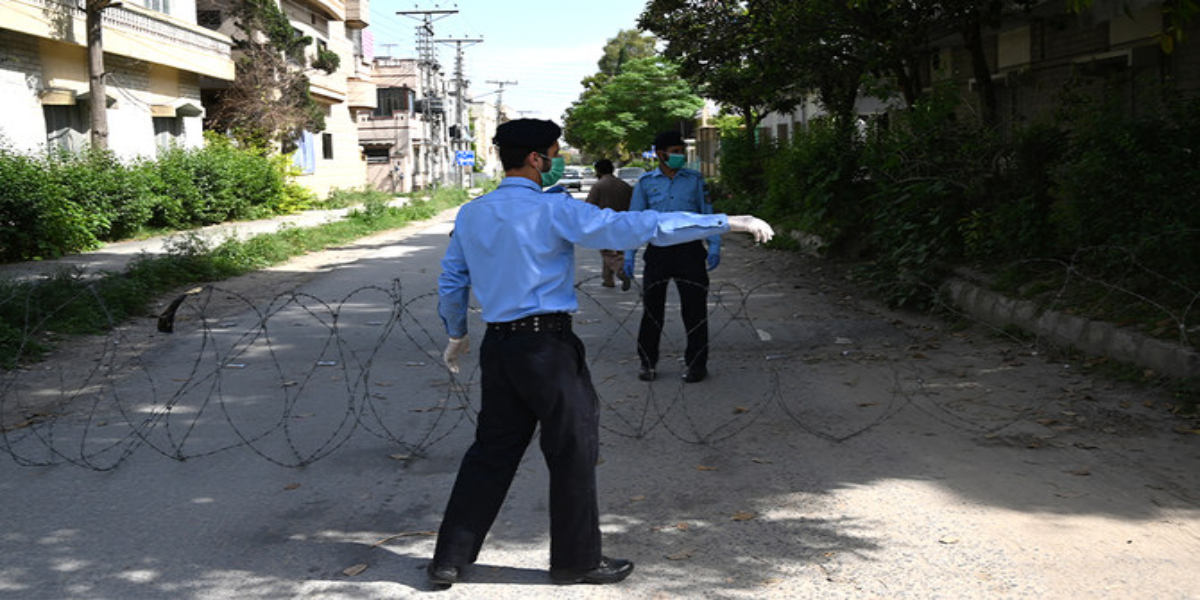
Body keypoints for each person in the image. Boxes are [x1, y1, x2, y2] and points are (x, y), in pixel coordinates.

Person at [429, 119, 773, 589]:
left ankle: (449, 557)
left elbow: (452, 280)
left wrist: (456, 332)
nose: (555, 162)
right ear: (535, 159)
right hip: (548, 346)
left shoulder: (472, 213)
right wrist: (725, 222)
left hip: (499, 346)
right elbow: (635, 226)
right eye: (552, 153)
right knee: (572, 451)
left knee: (490, 451)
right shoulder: (553, 210)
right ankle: (576, 560)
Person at [623, 130, 720, 384]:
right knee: (652, 310)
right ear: (660, 154)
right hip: (659, 252)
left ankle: (697, 364)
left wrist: (715, 244)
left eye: (680, 151)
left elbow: (707, 213)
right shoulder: (646, 183)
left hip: (690, 251)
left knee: (695, 310)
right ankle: (647, 362)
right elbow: (635, 220)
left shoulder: (695, 180)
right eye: (674, 152)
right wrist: (629, 253)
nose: (679, 156)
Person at [584, 159, 634, 290]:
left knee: (608, 253)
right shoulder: (624, 185)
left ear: (598, 171)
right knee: (617, 250)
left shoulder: (599, 185)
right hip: (623, 222)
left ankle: (621, 270)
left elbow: (589, 205)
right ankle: (608, 279)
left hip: (604, 224)